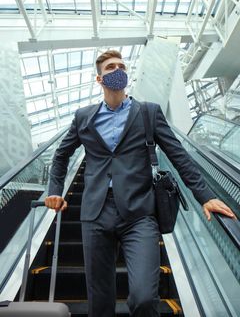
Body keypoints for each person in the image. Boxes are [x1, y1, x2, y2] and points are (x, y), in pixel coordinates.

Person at [45, 50, 236, 317]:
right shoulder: (83, 117)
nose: (118, 69)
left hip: (139, 214)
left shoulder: (148, 113)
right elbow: (61, 155)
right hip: (95, 214)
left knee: (145, 298)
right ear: (99, 79)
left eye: (122, 65)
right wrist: (55, 191)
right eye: (111, 67)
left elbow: (178, 156)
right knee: (100, 303)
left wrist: (204, 195)